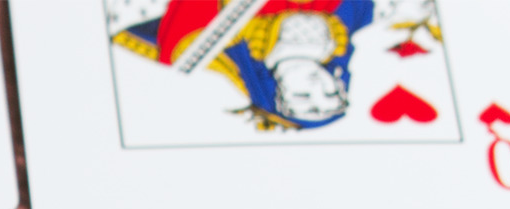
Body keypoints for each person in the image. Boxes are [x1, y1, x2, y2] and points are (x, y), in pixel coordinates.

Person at [107, 0, 377, 131]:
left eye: (304, 96)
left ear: (276, 94)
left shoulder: (197, 47)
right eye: (330, 94)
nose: (317, 87)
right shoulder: (352, 20)